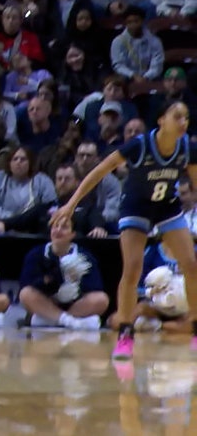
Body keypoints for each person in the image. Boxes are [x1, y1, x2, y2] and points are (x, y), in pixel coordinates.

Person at [51, 101, 197, 360]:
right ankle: (126, 335)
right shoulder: (139, 145)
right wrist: (71, 204)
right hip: (136, 206)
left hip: (167, 206)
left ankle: (195, 328)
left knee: (191, 265)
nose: (183, 122)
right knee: (132, 269)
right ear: (162, 120)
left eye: (186, 118)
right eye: (178, 117)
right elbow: (99, 172)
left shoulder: (188, 148)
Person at [18, 215, 108, 329]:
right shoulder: (36, 254)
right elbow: (26, 285)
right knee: (25, 294)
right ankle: (69, 321)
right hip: (47, 302)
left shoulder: (85, 256)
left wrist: (76, 285)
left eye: (64, 227)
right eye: (55, 226)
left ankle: (53, 320)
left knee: (101, 299)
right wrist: (49, 283)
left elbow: (95, 288)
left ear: (73, 234)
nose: (58, 230)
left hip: (76, 305)